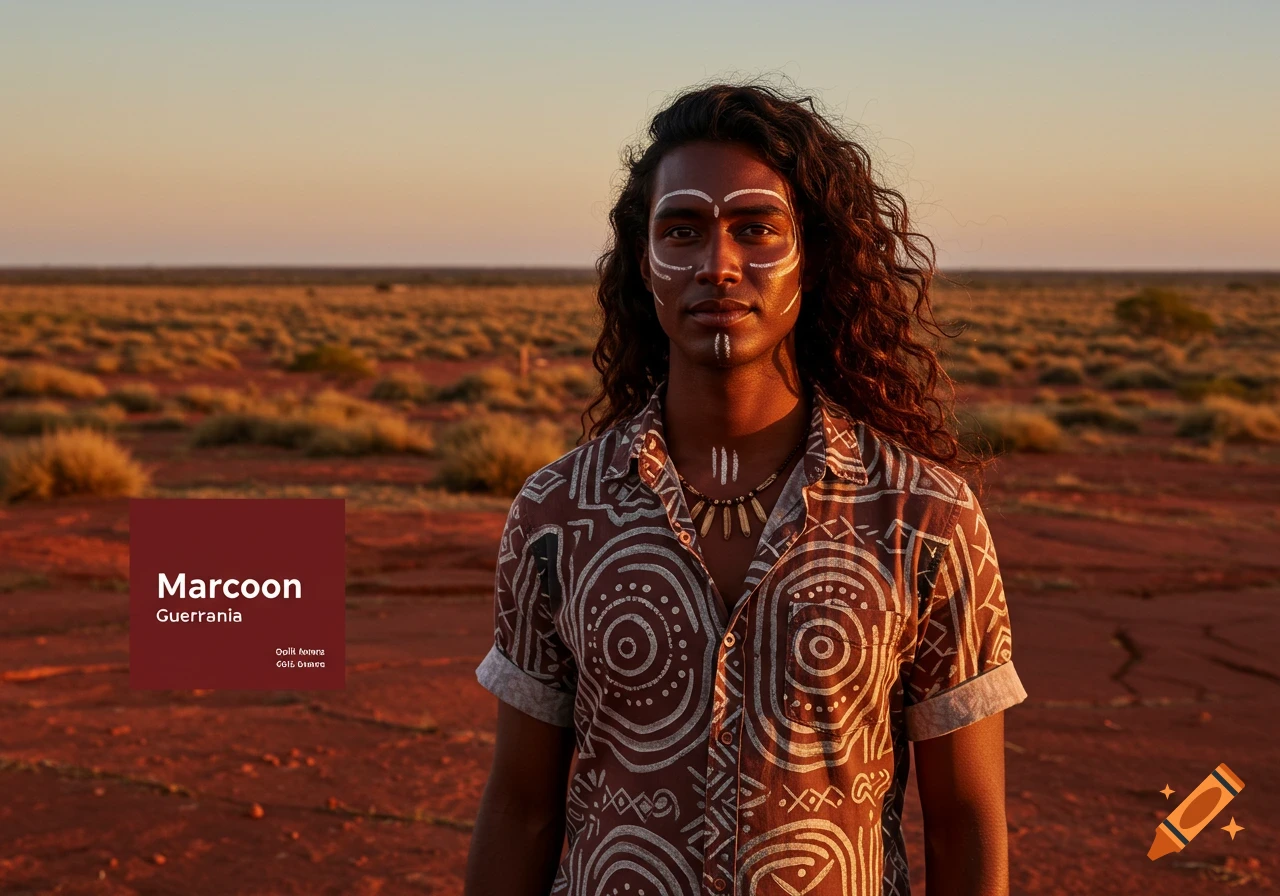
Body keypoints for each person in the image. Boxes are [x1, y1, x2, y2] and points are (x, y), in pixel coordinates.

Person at [464, 82, 1027, 896]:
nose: (718, 266)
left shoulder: (924, 518)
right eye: (682, 231)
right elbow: (520, 808)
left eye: (756, 229)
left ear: (814, 254)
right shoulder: (557, 514)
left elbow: (966, 821)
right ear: (644, 262)